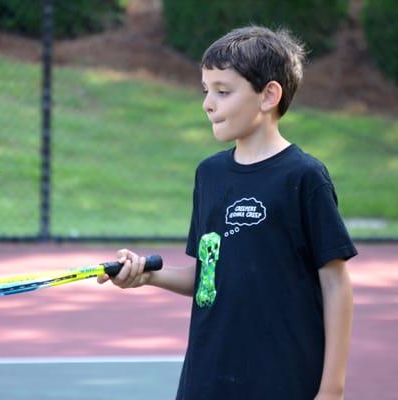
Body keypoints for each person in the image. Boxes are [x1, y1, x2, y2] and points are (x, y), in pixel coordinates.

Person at [98, 25, 357, 400]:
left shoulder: (304, 177)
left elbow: (336, 284)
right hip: (207, 376)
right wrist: (147, 275)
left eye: (223, 91)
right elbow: (208, 276)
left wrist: (332, 389)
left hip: (283, 378)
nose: (208, 103)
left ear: (268, 95)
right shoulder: (209, 175)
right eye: (206, 91)